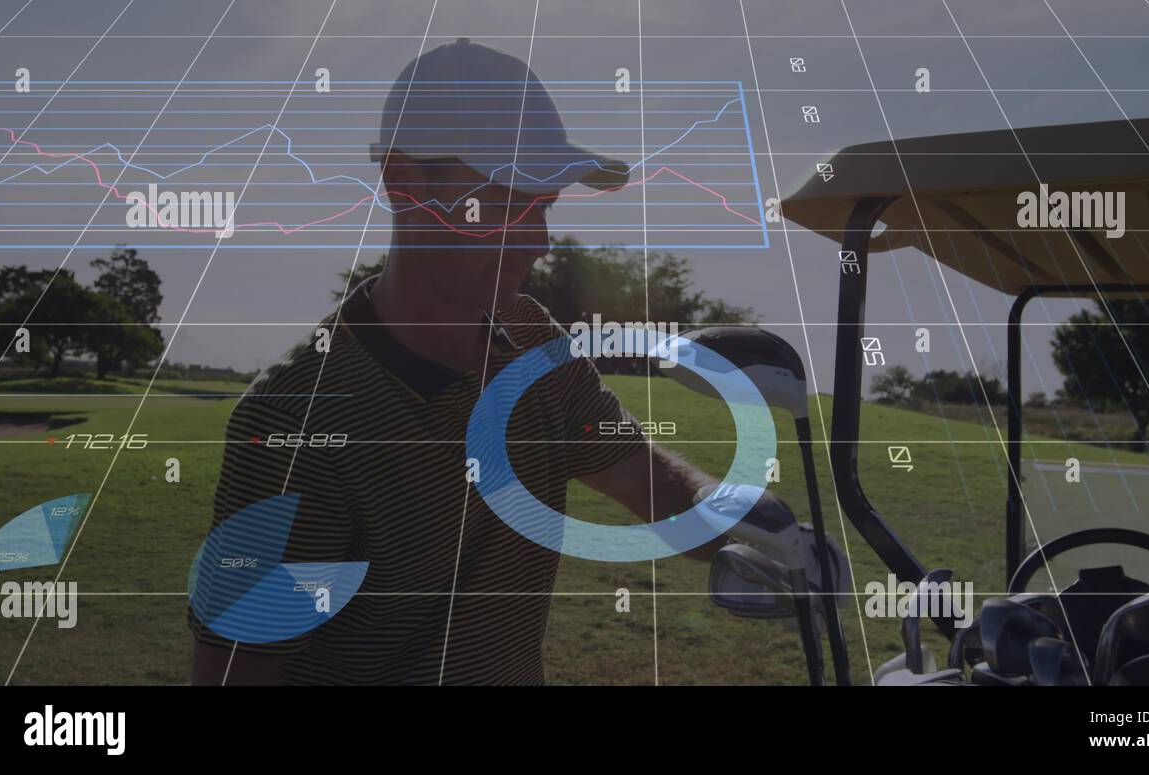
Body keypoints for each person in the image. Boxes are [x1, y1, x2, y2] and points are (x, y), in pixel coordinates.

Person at [189, 39, 740, 685]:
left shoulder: (536, 340)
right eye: (504, 202)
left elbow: (656, 484)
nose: (536, 240)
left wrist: (770, 535)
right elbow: (236, 672)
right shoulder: (294, 421)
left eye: (544, 206)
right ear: (402, 182)